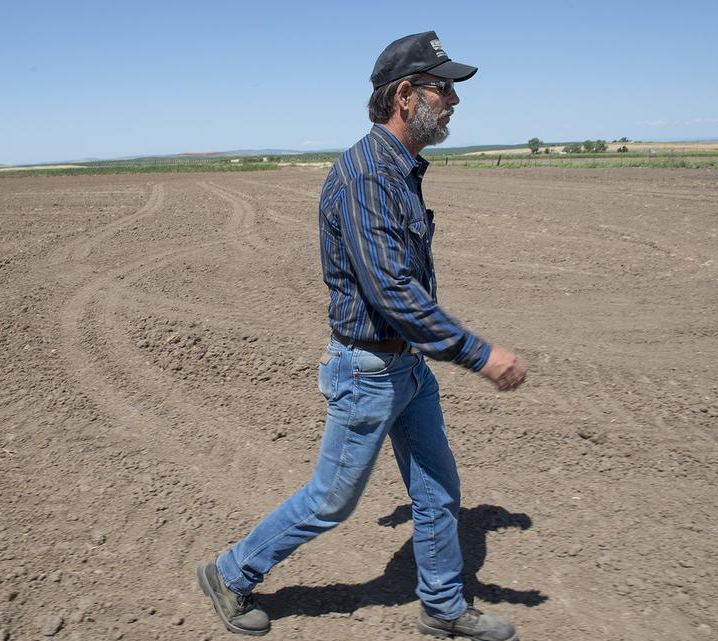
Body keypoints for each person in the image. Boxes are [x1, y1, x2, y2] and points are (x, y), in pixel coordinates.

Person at [197, 31, 527, 641]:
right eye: (443, 88)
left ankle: (443, 607)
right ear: (406, 95)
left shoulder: (398, 170)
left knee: (436, 491)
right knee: (332, 500)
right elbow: (393, 294)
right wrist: (481, 355)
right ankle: (229, 571)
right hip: (367, 371)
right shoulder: (369, 176)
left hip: (407, 369)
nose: (454, 100)